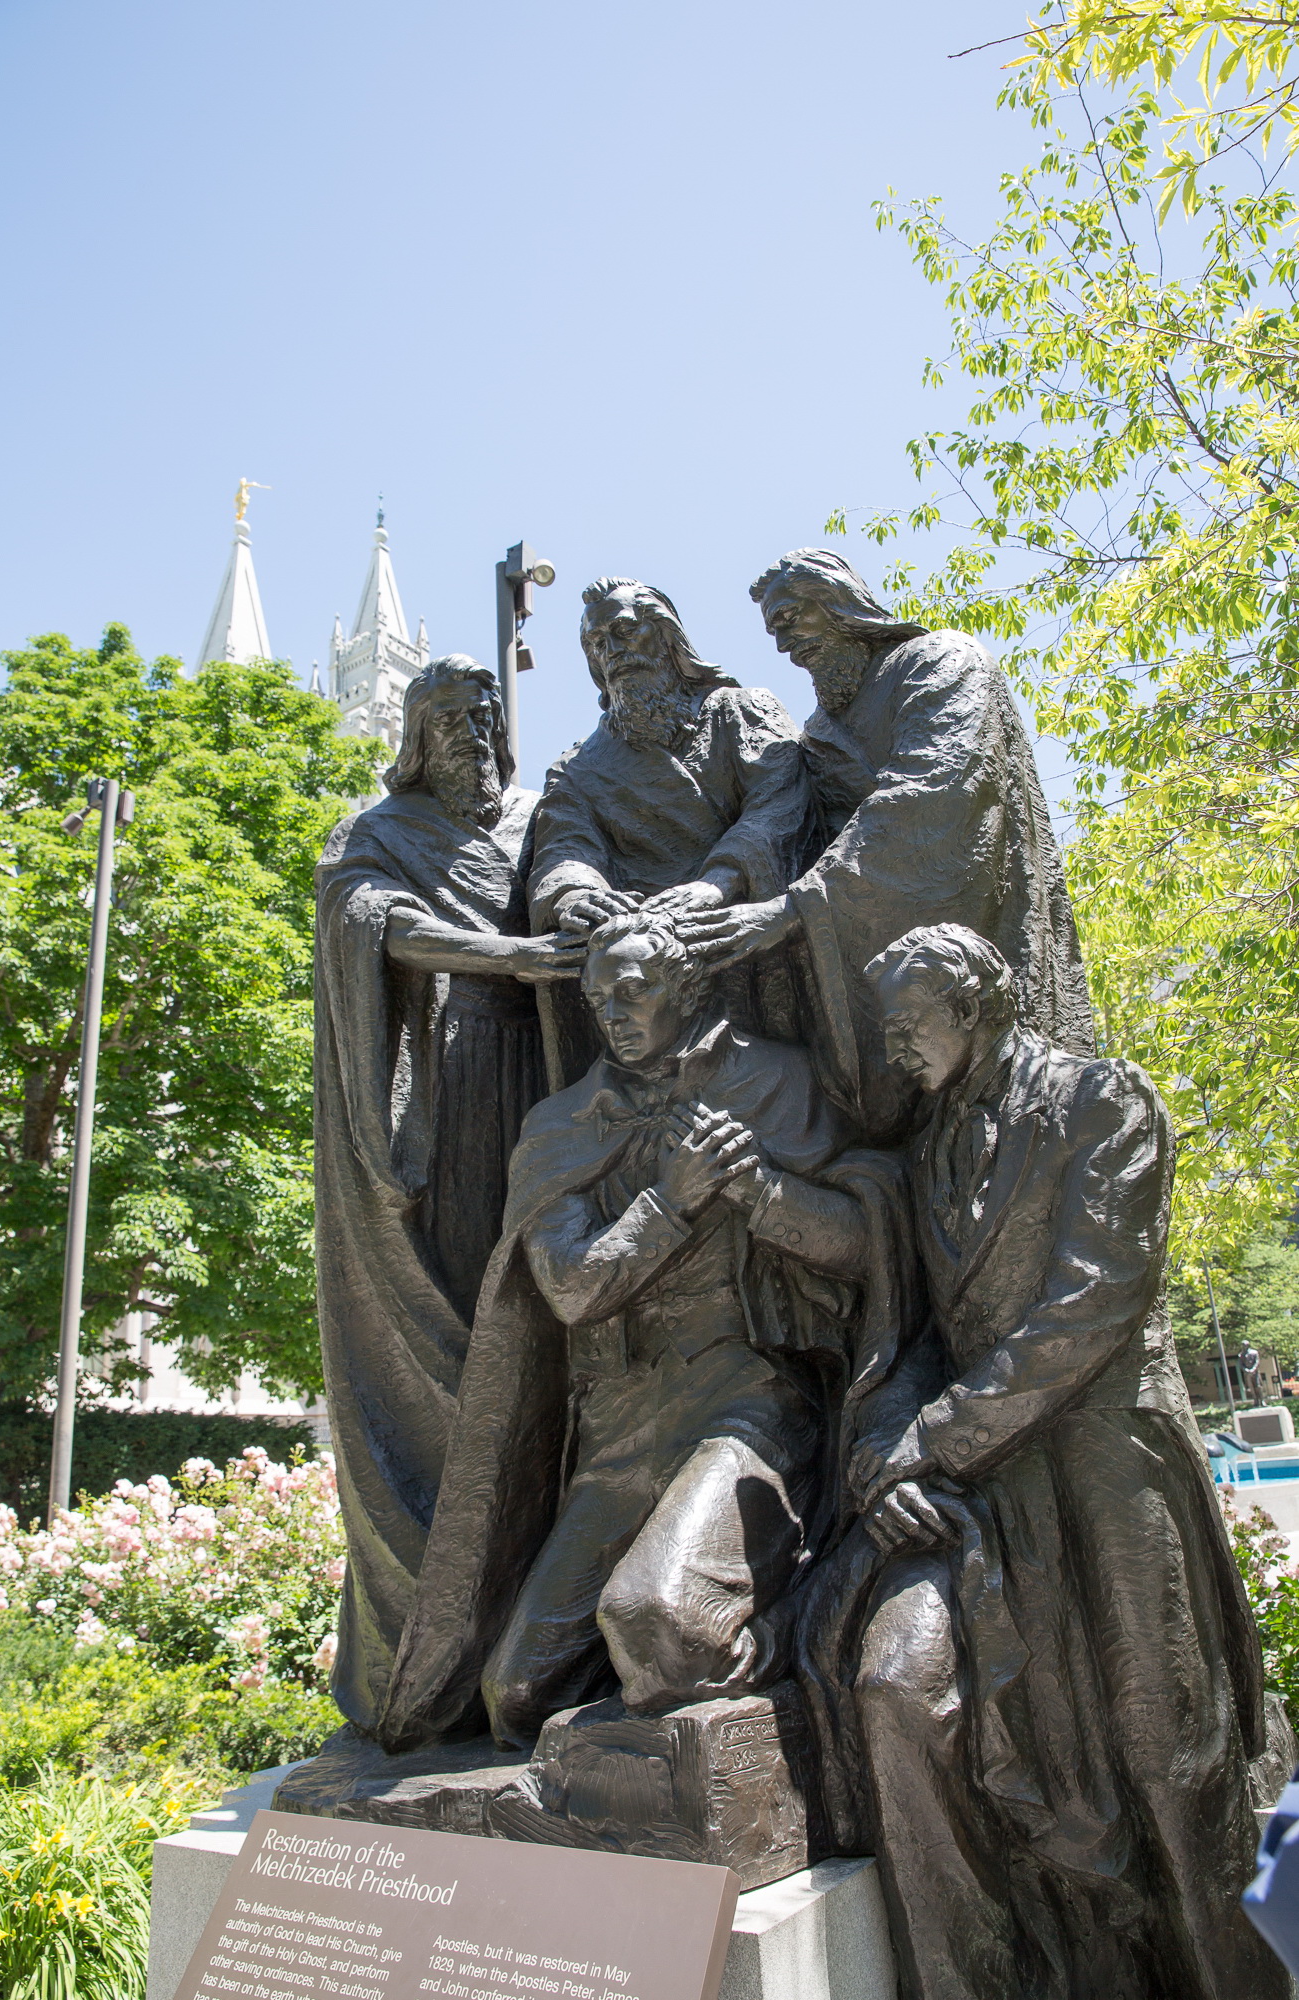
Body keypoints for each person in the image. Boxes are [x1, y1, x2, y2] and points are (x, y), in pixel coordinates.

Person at [796, 922, 1282, 2000]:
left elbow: (1090, 1303)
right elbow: (936, 1330)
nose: (893, 1046)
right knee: (962, 1719)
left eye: (907, 1021)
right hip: (992, 1488)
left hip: (1111, 1468)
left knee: (1168, 1755)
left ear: (970, 1007)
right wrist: (888, 1438)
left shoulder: (1101, 1101)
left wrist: (932, 1436)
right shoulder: (929, 1149)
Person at [378, 912, 921, 1753]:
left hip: (743, 1402)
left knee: (656, 1618)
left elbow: (866, 1244)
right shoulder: (564, 1124)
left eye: (632, 992)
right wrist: (671, 1201)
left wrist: (760, 1194)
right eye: (598, 1000)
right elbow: (568, 1290)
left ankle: (795, 1648)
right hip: (620, 1430)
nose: (613, 1013)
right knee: (516, 1691)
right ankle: (641, 1727)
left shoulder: (777, 1082)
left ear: (689, 986)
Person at [313, 654, 583, 1732]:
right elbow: (370, 923)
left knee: (565, 1351)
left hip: (557, 1085)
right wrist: (505, 954)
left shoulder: (538, 820)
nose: (475, 731)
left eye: (485, 714)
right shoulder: (377, 830)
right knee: (478, 1344)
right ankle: (436, 1657)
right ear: (417, 734)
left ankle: (548, 1650)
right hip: (456, 1091)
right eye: (451, 718)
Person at [679, 549, 1094, 1144]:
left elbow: (931, 794)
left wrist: (797, 908)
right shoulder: (820, 732)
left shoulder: (942, 662)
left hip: (977, 933)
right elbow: (799, 830)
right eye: (775, 631)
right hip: (886, 980)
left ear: (840, 603)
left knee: (1019, 1133)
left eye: (794, 618)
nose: (785, 644)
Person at [526, 576, 816, 1083]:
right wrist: (577, 894)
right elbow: (564, 846)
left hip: (739, 939)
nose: (611, 651)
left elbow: (781, 805)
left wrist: (719, 881)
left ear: (665, 636)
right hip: (637, 969)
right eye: (596, 644)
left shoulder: (740, 712)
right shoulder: (577, 767)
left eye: (623, 632)